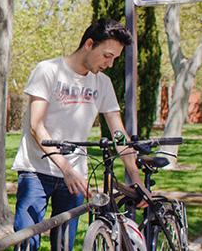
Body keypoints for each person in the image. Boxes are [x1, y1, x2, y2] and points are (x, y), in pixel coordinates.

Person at [11, 19, 146, 251]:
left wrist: (134, 174)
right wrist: (66, 169)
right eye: (107, 55)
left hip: (75, 178)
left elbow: (118, 133)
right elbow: (36, 126)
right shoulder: (48, 71)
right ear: (89, 44)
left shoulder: (102, 83)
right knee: (26, 244)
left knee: (64, 246)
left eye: (114, 58)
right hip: (37, 172)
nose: (110, 63)